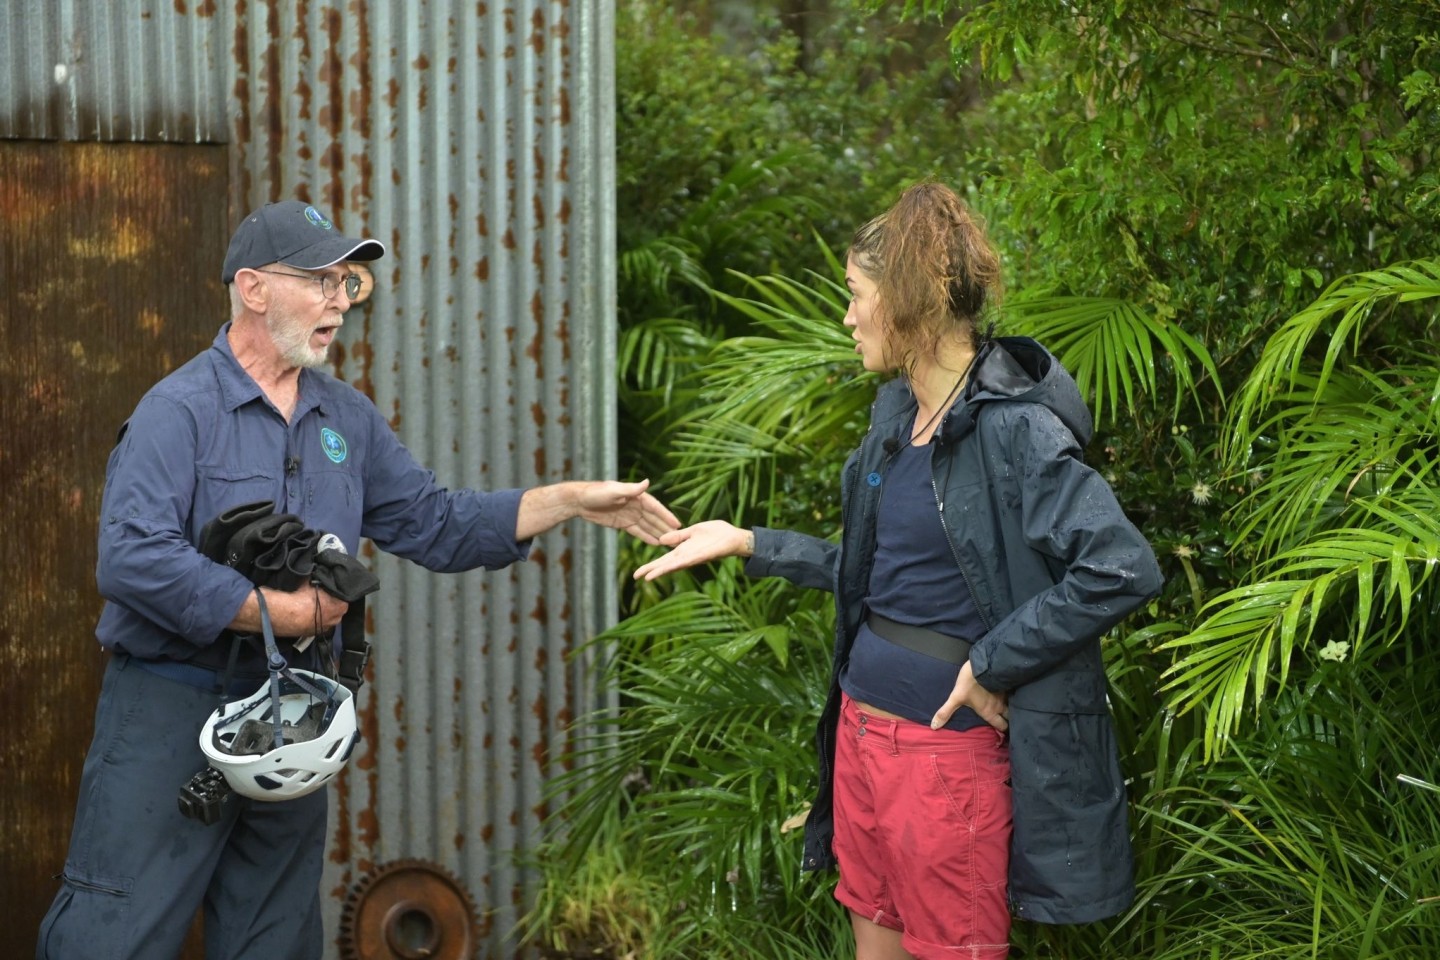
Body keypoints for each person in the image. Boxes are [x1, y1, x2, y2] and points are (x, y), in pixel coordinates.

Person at [35, 199, 681, 960]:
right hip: (168, 709)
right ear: (253, 288)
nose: (341, 300)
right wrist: (281, 612)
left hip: (292, 718)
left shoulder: (348, 419)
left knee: (274, 939)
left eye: (348, 283)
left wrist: (568, 501)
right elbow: (133, 559)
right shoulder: (177, 412)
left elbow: (437, 523)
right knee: (116, 934)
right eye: (321, 280)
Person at [634, 181, 1162, 960]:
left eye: (855, 296)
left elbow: (1121, 567)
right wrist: (750, 541)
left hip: (943, 762)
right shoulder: (896, 417)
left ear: (908, 301)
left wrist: (993, 661)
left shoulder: (1017, 432)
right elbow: (878, 574)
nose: (846, 318)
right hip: (860, 731)